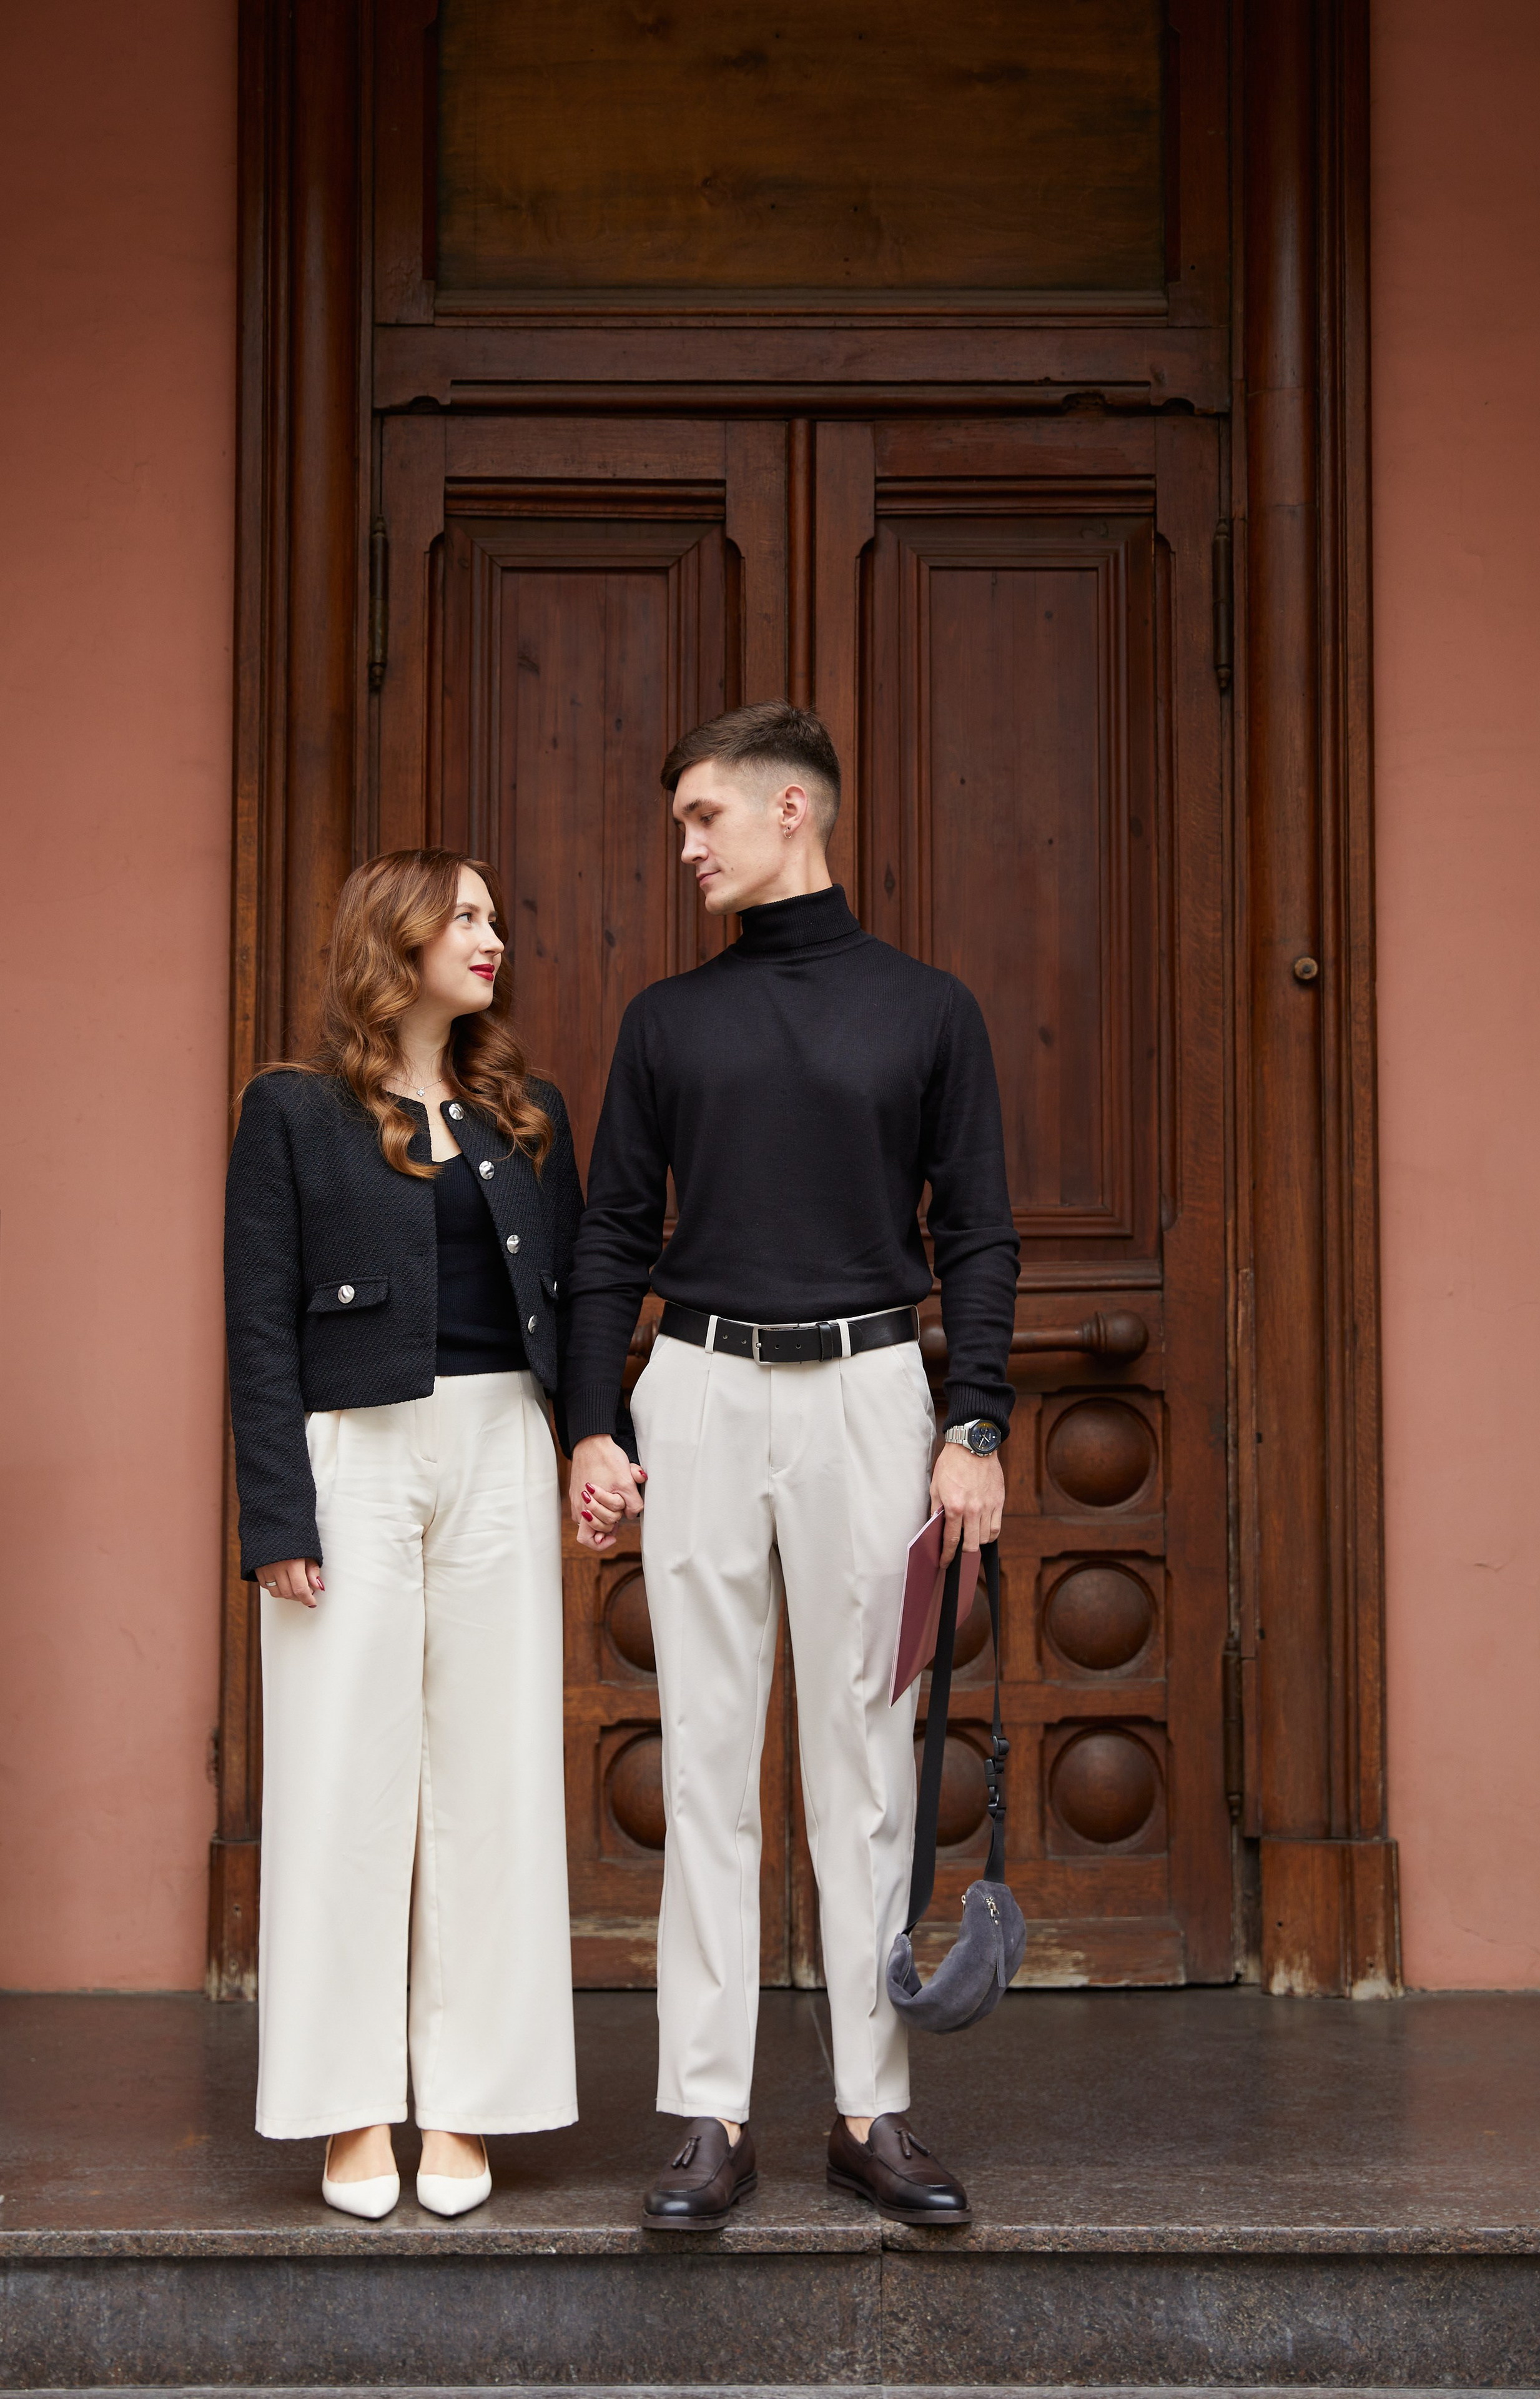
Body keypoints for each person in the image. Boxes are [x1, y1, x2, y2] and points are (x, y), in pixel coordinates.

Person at [564, 702, 1019, 2230]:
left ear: (790, 813)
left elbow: (979, 1231)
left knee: (867, 1763)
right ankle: (708, 2114)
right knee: (702, 1761)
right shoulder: (664, 1022)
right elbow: (613, 1232)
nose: (685, 843)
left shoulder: (927, 1010)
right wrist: (593, 1420)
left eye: (704, 815)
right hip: (695, 1384)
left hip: (872, 1393)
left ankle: (867, 2113)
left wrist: (975, 1424)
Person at [224, 849, 583, 2220]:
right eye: (467, 914)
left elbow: (577, 1293)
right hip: (348, 1456)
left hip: (500, 1447)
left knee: (492, 1782)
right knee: (341, 1784)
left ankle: (475, 2101)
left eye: (498, 914)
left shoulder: (527, 1110)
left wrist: (591, 1439)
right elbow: (258, 1319)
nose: (492, 935)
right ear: (399, 935)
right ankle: (350, 2105)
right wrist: (275, 1513)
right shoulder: (294, 1111)